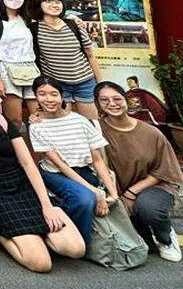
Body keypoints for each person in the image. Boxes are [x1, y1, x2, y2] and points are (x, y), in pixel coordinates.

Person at [0, 73, 85, 272]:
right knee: (41, 263)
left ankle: (38, 229)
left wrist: (46, 206)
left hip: (20, 183)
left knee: (75, 249)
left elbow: (27, 163)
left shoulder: (0, 120)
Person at [95, 81, 183, 261]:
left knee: (148, 208)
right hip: (117, 190)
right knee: (144, 247)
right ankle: (144, 231)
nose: (112, 104)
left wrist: (131, 193)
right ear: (97, 104)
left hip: (153, 185)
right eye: (104, 100)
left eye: (117, 99)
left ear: (126, 100)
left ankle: (166, 237)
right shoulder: (96, 130)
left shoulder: (152, 133)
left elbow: (163, 171)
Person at [28, 76, 117, 245]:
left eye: (54, 94)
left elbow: (97, 160)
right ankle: (81, 244)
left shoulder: (80, 121)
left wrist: (113, 193)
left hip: (83, 170)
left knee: (107, 200)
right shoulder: (36, 125)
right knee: (85, 199)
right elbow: (61, 165)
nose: (48, 99)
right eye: (42, 94)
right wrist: (95, 192)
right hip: (55, 173)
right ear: (36, 97)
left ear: (62, 96)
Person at [31, 0, 102, 120]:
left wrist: (100, 84)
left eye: (57, 2)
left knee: (93, 121)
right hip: (57, 85)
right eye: (48, 1)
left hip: (85, 81)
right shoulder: (34, 29)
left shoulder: (74, 25)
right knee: (63, 122)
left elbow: (91, 56)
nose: (54, 5)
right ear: (38, 5)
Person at [0, 0, 38, 127]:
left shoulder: (28, 20)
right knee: (15, 119)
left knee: (38, 116)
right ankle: (17, 141)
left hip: (30, 69)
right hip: (6, 69)